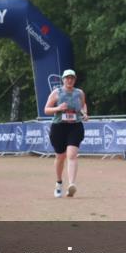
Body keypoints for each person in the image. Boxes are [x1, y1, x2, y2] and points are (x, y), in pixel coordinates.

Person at [44, 69, 88, 198]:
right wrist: (58, 108)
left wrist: (85, 113)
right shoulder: (56, 93)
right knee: (60, 157)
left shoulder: (79, 93)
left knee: (72, 155)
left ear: (75, 80)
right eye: (67, 78)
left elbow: (83, 105)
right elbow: (46, 109)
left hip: (75, 126)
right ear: (63, 80)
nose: (69, 80)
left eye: (72, 78)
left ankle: (71, 185)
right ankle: (59, 183)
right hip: (59, 127)